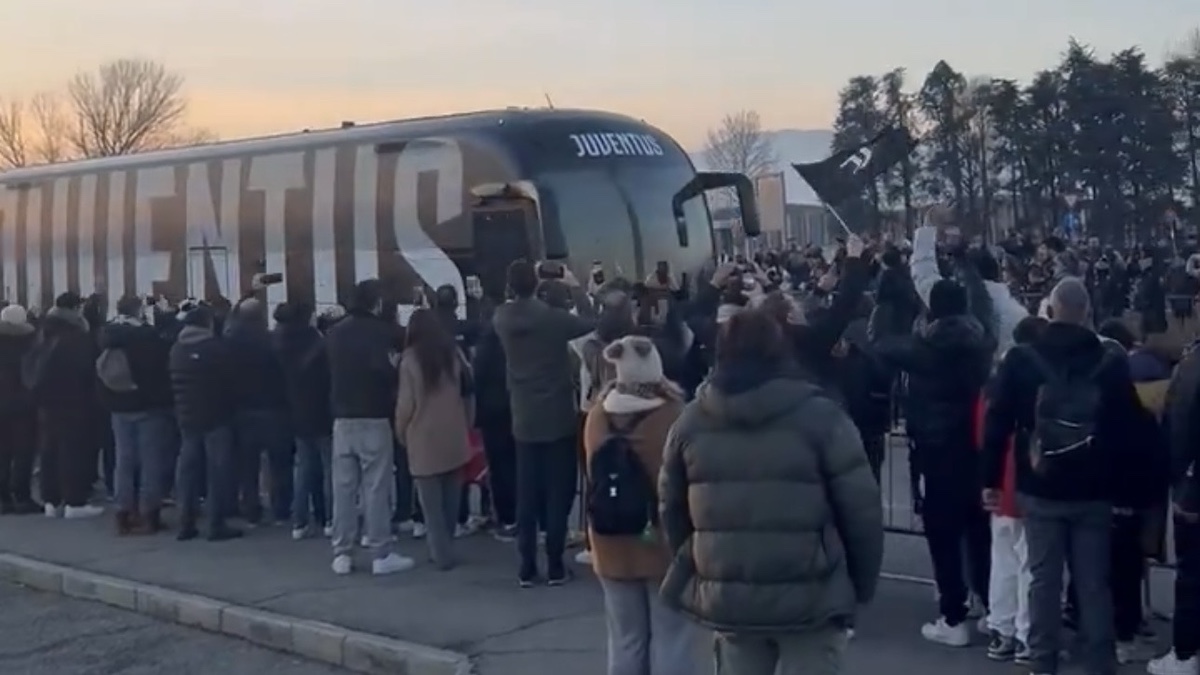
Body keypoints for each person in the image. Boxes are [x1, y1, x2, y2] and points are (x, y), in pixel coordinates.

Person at [658, 309, 883, 675]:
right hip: (810, 593)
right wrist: (859, 586)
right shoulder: (821, 417)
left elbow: (672, 507)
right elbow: (862, 512)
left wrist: (701, 563)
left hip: (730, 592)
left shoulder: (691, 422)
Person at [981, 277, 1146, 675]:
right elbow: (1129, 431)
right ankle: (1099, 663)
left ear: (1050, 311)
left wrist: (990, 479)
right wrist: (1127, 487)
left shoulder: (1021, 361)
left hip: (1039, 484)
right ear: (1088, 313)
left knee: (1042, 579)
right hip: (1094, 488)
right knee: (1093, 583)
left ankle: (1042, 660)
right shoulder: (1110, 363)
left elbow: (996, 423)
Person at [872, 278, 995, 646]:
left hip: (937, 449)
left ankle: (953, 614)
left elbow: (882, 345)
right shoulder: (981, 344)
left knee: (942, 535)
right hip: (977, 447)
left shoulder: (927, 348)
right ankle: (991, 606)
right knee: (979, 531)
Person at [583, 334, 701, 675]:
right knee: (671, 638)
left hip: (609, 541)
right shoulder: (676, 417)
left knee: (625, 640)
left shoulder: (596, 418)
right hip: (662, 542)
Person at [492, 260, 594, 587]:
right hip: (557, 416)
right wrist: (574, 284)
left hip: (523, 418)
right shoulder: (553, 319)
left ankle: (526, 566)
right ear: (536, 284)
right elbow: (591, 321)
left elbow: (507, 304)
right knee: (557, 491)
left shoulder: (502, 319)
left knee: (527, 493)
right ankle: (554, 565)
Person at [325, 279, 414, 576]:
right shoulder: (384, 333)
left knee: (343, 488)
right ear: (376, 302)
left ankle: (342, 552)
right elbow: (390, 371)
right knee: (376, 487)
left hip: (342, 419)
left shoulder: (335, 333)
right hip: (374, 417)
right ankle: (380, 551)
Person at [395, 309, 474, 570]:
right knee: (451, 498)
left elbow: (407, 404)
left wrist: (401, 429)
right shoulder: (453, 354)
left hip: (423, 436)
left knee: (431, 506)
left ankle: (440, 554)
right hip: (454, 432)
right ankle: (447, 547)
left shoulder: (409, 361)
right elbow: (467, 391)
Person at [98, 295, 175, 535]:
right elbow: (161, 364)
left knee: (124, 460)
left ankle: (123, 512)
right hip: (147, 405)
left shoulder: (106, 334)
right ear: (139, 311)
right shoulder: (146, 337)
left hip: (118, 405)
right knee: (151, 460)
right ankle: (148, 513)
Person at [168, 305, 242, 542]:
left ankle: (185, 522)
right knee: (217, 472)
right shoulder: (216, 349)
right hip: (216, 418)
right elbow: (230, 383)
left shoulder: (176, 349)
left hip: (187, 418)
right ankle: (215, 524)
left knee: (188, 472)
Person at [29, 292, 103, 519]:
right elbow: (88, 371)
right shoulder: (76, 336)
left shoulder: (43, 332)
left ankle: (50, 500)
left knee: (49, 451)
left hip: (46, 402)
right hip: (74, 401)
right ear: (74, 309)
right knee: (73, 451)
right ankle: (74, 502)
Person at [1151, 338, 1200, 675]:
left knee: (1193, 574)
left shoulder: (1194, 365)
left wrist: (1185, 487)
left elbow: (1180, 424)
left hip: (1195, 487)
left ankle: (1185, 655)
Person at [225, 298, 291, 525]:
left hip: (242, 410)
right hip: (273, 408)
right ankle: (281, 509)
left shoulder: (229, 342)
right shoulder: (272, 340)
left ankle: (251, 510)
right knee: (279, 464)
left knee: (247, 466)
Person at [273, 301, 333, 540]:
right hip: (321, 411)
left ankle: (299, 522)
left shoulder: (278, 343)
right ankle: (329, 518)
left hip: (295, 412)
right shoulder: (317, 343)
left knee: (304, 468)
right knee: (329, 469)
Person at [0, 304, 38, 515]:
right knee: (24, 452)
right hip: (23, 404)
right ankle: (22, 496)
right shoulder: (29, 342)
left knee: (2, 452)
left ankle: (3, 497)